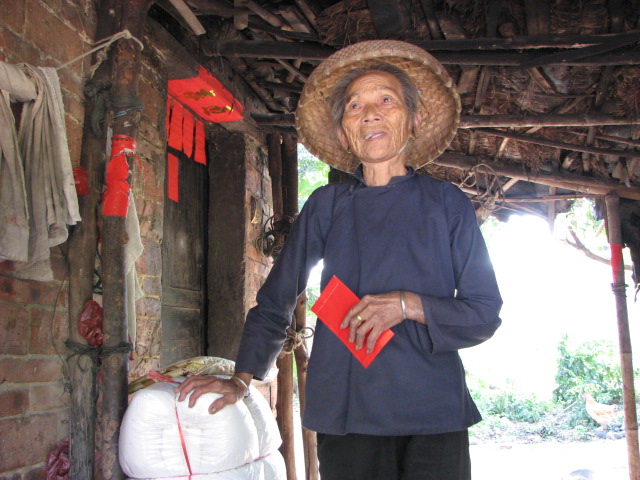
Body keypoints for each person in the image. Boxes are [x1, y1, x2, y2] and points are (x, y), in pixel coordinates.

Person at [176, 40, 502, 480]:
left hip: (433, 411)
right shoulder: (327, 205)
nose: (370, 114)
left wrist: (406, 304)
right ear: (346, 134)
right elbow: (277, 296)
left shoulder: (448, 204)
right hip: (347, 411)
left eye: (386, 100)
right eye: (354, 106)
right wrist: (242, 377)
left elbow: (483, 313)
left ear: (413, 120)